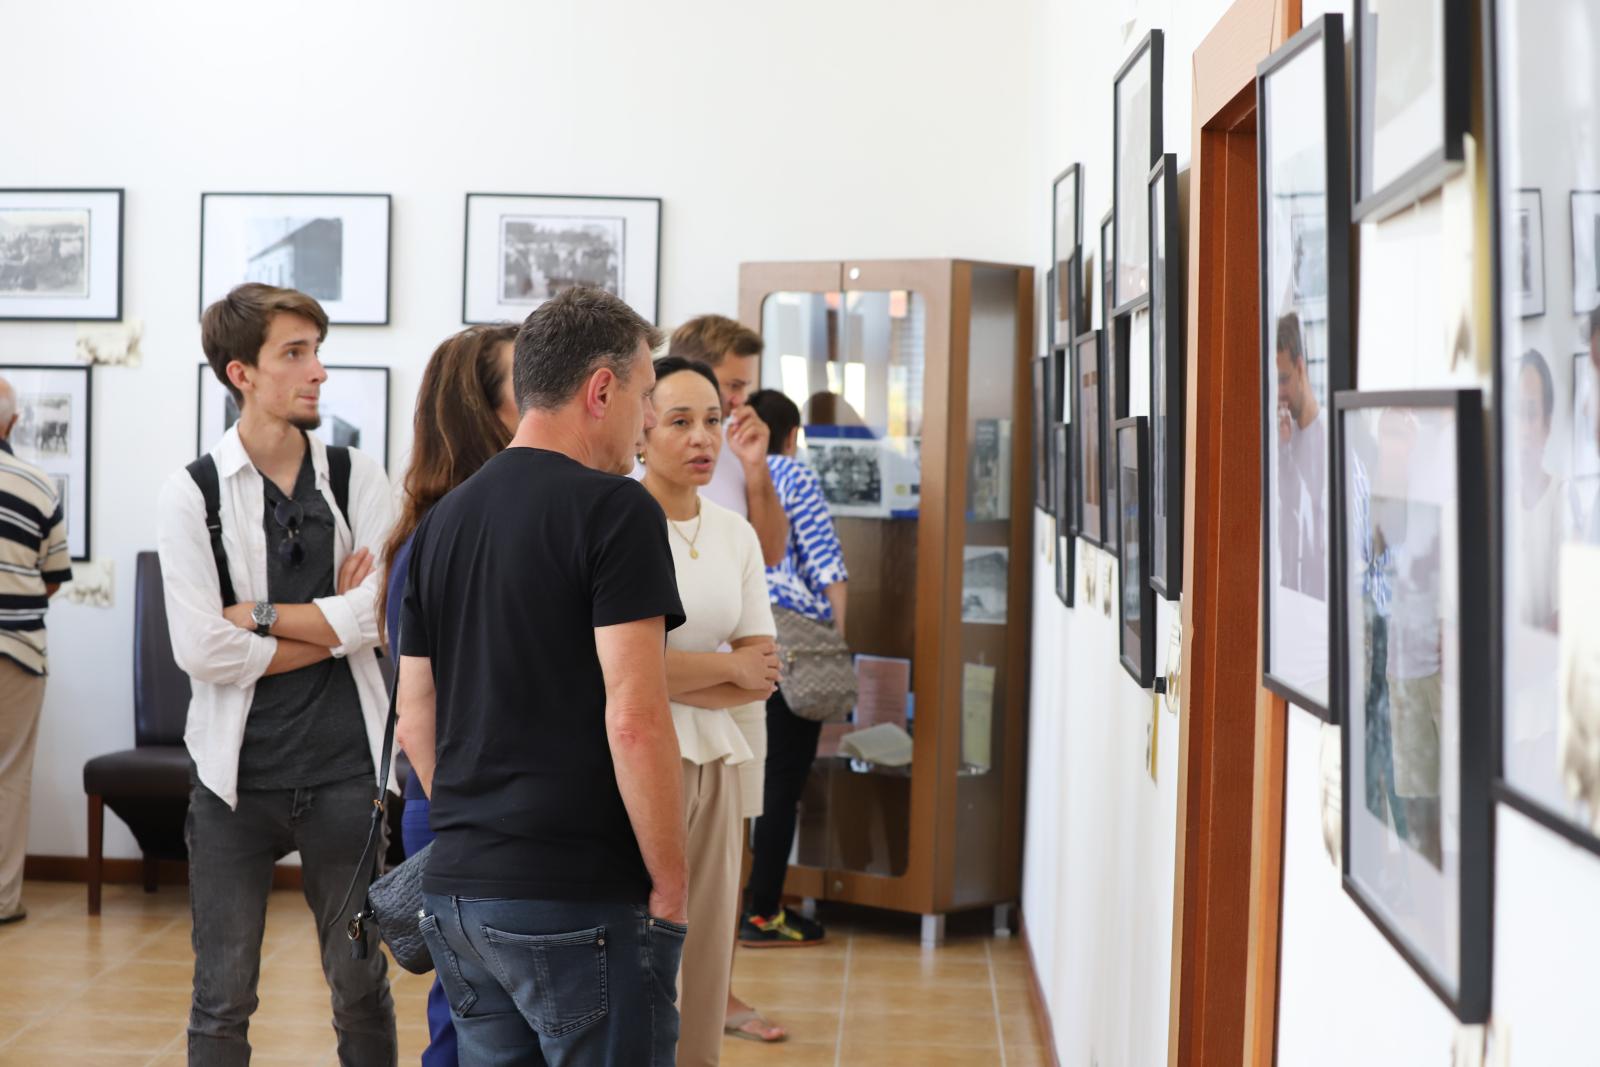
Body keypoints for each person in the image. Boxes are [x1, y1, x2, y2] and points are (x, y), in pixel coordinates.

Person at [396, 287, 689, 1067]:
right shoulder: (617, 512)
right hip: (575, 892)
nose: (650, 420)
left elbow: (413, 717)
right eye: (648, 395)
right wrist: (670, 885)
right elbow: (635, 717)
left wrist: (477, 833)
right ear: (602, 389)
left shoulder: (442, 522)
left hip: (459, 895)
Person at [156, 283, 397, 1065]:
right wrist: (334, 624)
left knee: (361, 987)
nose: (317, 371)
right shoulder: (191, 493)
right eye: (294, 353)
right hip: (235, 783)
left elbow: (381, 616)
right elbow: (200, 647)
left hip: (345, 774)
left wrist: (258, 613)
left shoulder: (358, 474)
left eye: (317, 351)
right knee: (221, 999)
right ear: (241, 373)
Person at [378, 323, 519, 1067]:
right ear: (485, 412)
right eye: (525, 386)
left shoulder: (454, 525)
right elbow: (420, 710)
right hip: (459, 804)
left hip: (470, 806)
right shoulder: (448, 533)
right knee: (467, 1023)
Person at [636, 356, 780, 1066]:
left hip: (719, 756)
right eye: (680, 421)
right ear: (641, 430)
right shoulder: (615, 521)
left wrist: (673, 672)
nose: (703, 438)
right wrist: (723, 667)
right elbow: (617, 673)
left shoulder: (734, 532)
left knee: (709, 943)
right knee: (635, 946)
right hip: (632, 756)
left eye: (713, 421)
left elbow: (764, 671)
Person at [740, 389, 846, 949]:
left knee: (741, 780)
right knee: (782, 781)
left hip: (740, 637)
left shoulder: (729, 474)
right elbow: (827, 561)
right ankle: (763, 911)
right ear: (792, 435)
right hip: (796, 643)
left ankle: (740, 900)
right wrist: (838, 639)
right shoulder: (792, 474)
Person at [0, 374, 71, 926]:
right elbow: (53, 576)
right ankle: (2, 901)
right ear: (14, 422)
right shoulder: (38, 483)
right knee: (9, 775)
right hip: (17, 652)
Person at [666, 315, 788, 566]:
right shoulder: (636, 449)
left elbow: (771, 554)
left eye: (746, 388)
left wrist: (756, 467)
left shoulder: (736, 446)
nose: (741, 400)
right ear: (695, 374)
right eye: (734, 386)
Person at [1275, 312, 1327, 598]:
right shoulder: (1282, 442)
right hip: (1288, 597)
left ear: (1300, 367)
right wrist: (1282, 451)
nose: (1279, 392)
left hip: (1320, 605)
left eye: (1284, 379)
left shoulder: (1327, 438)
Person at [1513, 350, 1564, 631]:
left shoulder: (1562, 498)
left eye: (1531, 414)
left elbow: (1564, 617)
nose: (1522, 428)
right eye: (1517, 412)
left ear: (1547, 425)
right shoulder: (1498, 503)